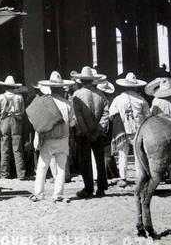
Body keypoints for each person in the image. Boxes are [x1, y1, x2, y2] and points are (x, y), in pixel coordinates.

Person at [27, 72, 76, 203]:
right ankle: (58, 194)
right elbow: (72, 123)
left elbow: (35, 119)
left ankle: (39, 193)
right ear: (61, 88)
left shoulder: (43, 102)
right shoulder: (67, 104)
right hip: (63, 139)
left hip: (47, 139)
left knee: (42, 167)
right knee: (61, 169)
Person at [70, 66, 110, 198]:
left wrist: (86, 131)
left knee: (85, 161)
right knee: (99, 160)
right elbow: (105, 114)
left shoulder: (77, 95)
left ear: (81, 80)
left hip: (83, 134)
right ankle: (102, 188)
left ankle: (88, 188)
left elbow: (78, 117)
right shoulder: (101, 95)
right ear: (92, 81)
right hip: (97, 132)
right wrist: (99, 129)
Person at [109, 73, 150, 188]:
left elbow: (111, 114)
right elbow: (148, 115)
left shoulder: (118, 99)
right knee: (138, 155)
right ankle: (140, 177)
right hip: (138, 130)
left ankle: (123, 178)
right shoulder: (141, 100)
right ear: (136, 86)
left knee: (123, 155)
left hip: (122, 131)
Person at [146, 77, 171, 184]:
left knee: (161, 153)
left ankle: (160, 175)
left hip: (162, 130)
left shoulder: (157, 101)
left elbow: (152, 116)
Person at [0, 75, 28, 180]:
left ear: (5, 87)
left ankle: (5, 173)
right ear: (14, 87)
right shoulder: (19, 97)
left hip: (4, 121)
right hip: (16, 121)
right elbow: (23, 111)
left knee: (4, 147)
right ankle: (21, 173)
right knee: (17, 148)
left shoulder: (0, 97)